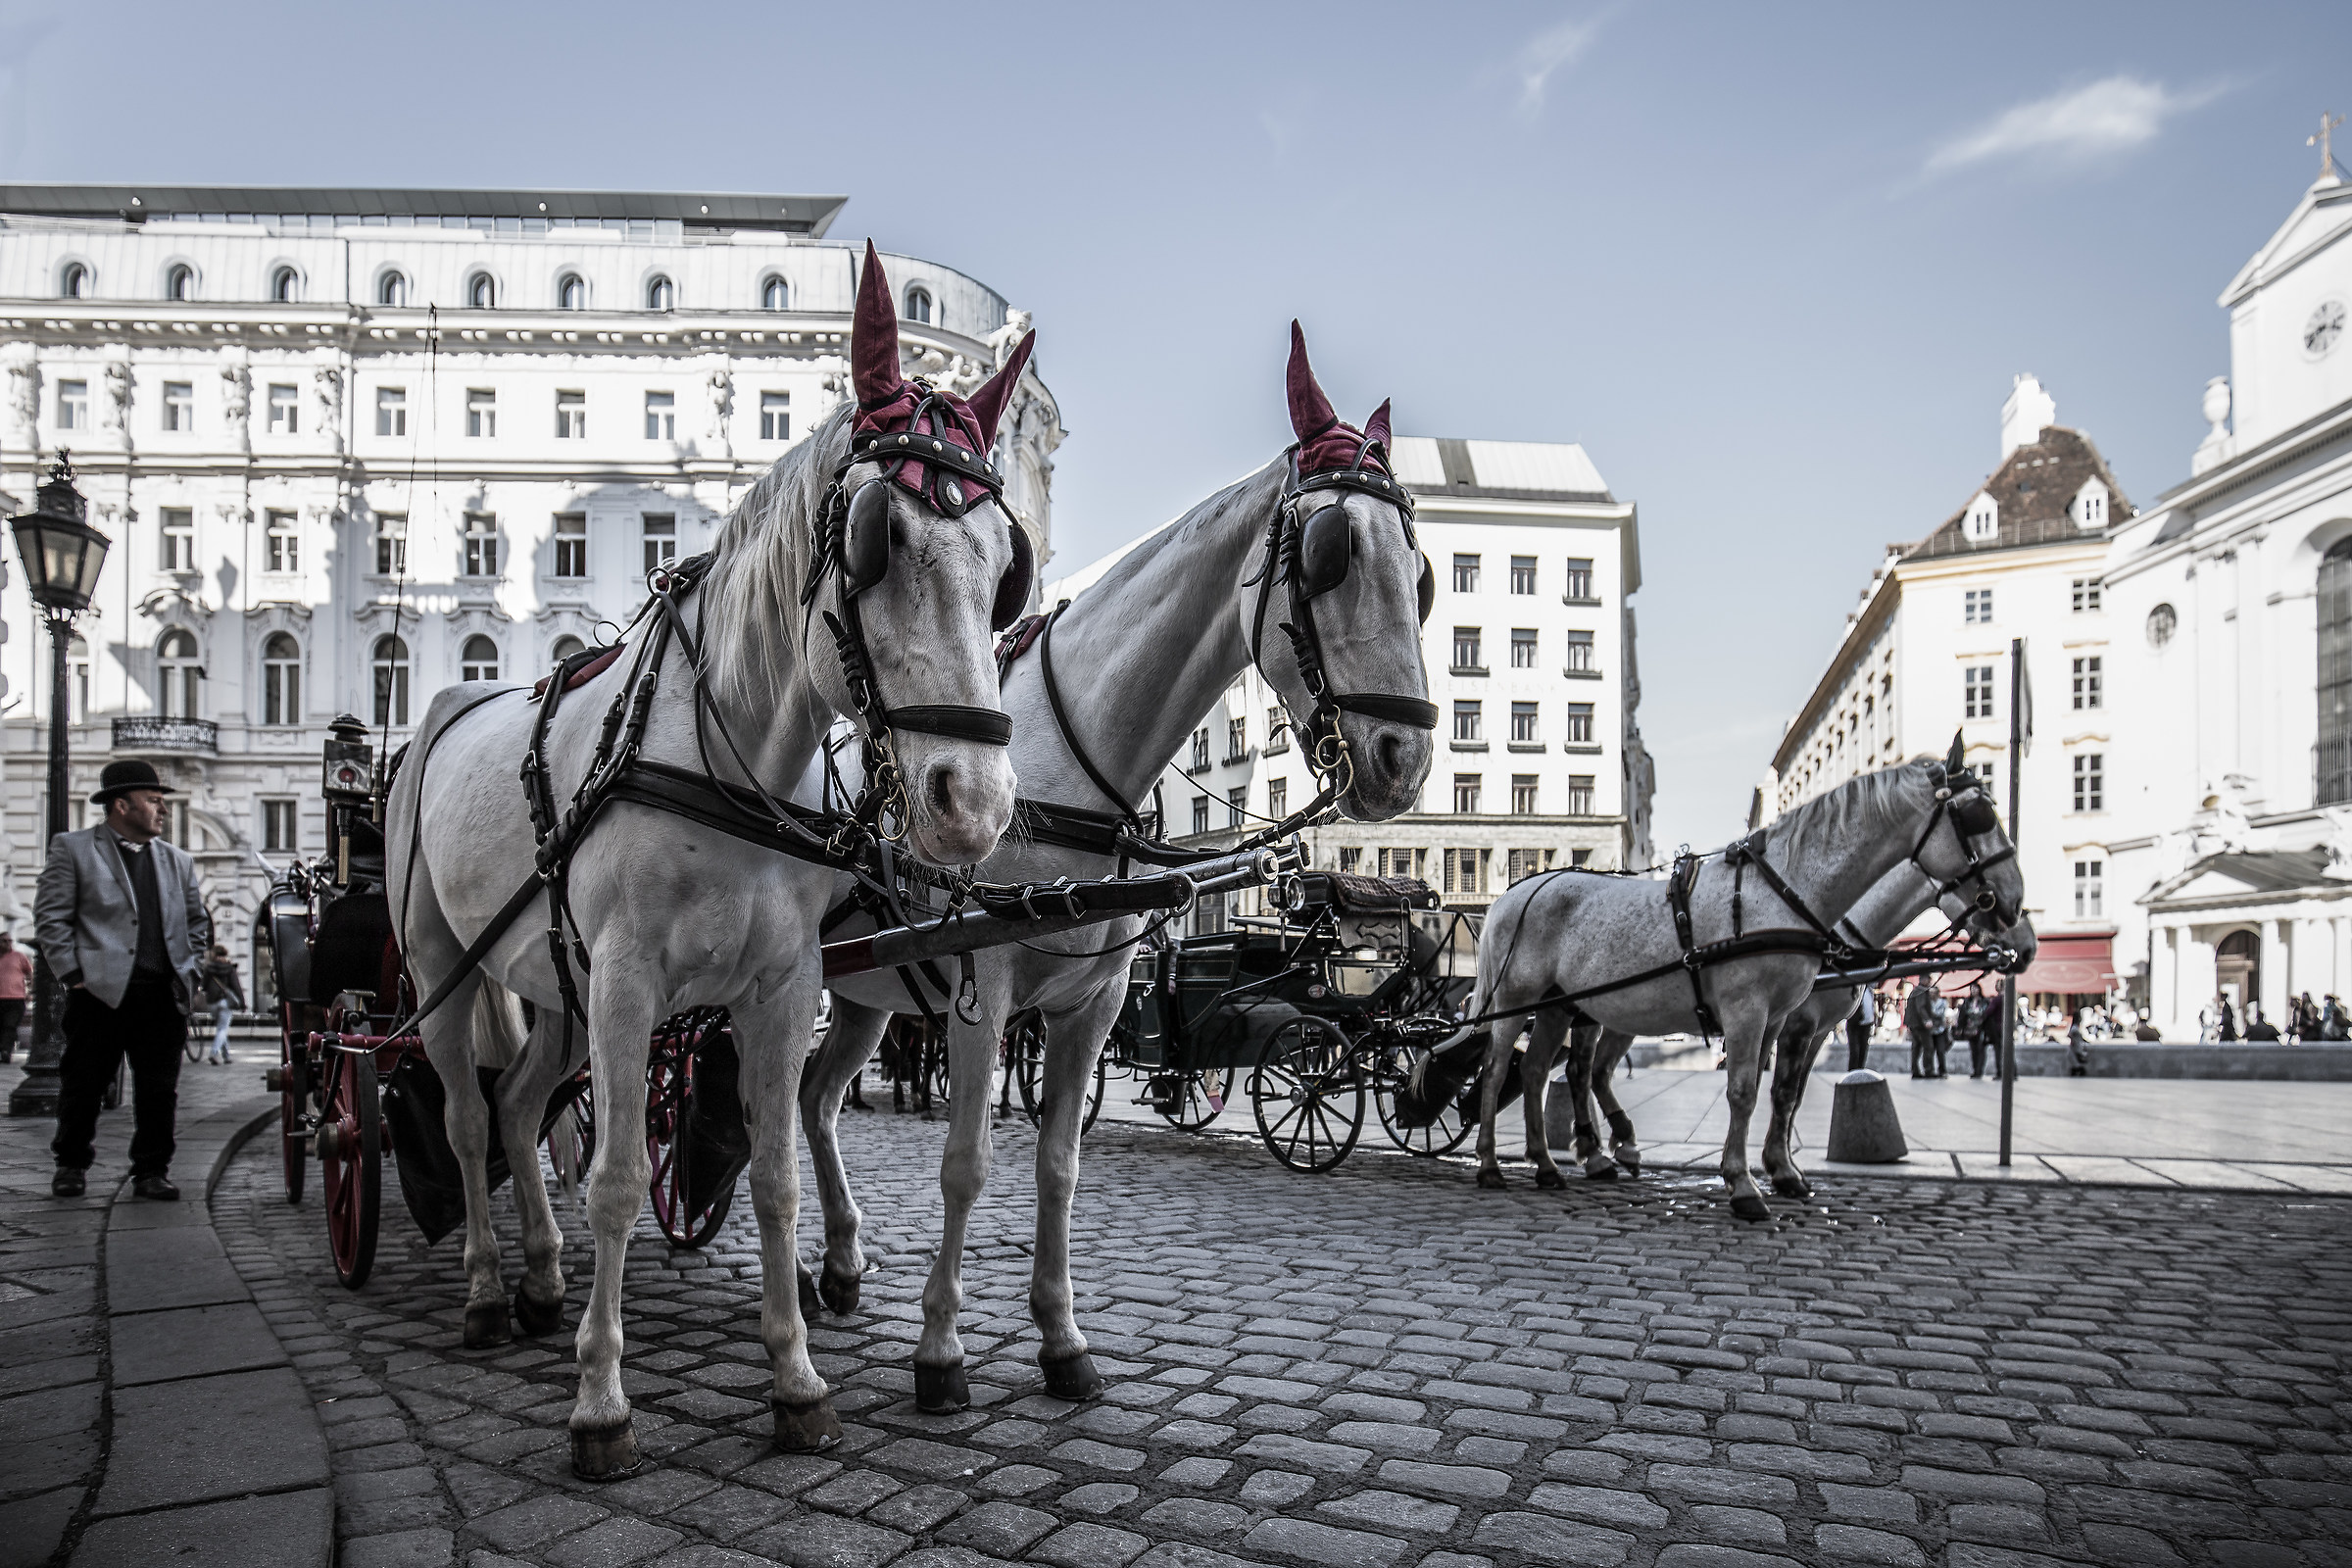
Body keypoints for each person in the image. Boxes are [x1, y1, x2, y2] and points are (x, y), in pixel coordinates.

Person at [34, 760, 210, 1200]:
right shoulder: (73, 849)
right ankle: (71, 1164)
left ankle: (151, 1171)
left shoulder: (178, 861)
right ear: (120, 804)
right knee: (84, 1085)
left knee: (158, 1091)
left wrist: (191, 967)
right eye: (153, 801)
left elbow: (196, 922)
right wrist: (73, 975)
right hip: (98, 993)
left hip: (161, 994)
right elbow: (51, 918)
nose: (163, 810)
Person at [200, 944, 244, 1065]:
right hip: (225, 1002)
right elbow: (236, 986)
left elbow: (203, 986)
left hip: (212, 1002)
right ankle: (213, 1053)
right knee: (223, 1029)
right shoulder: (229, 968)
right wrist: (242, 1003)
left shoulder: (209, 968)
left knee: (221, 1028)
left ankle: (226, 1056)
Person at [0, 931, 30, 1065]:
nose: (8, 943)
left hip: (16, 998)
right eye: (4, 941)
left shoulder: (19, 956)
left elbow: (30, 973)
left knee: (10, 1026)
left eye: (9, 941)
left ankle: (6, 1050)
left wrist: (30, 992)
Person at [1844, 987, 1875, 1073]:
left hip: (1867, 1024)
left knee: (1863, 1050)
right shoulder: (1856, 990)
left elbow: (1871, 1005)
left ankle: (1860, 1071)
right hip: (1855, 1023)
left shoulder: (1869, 991)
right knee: (1855, 1051)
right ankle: (1852, 1072)